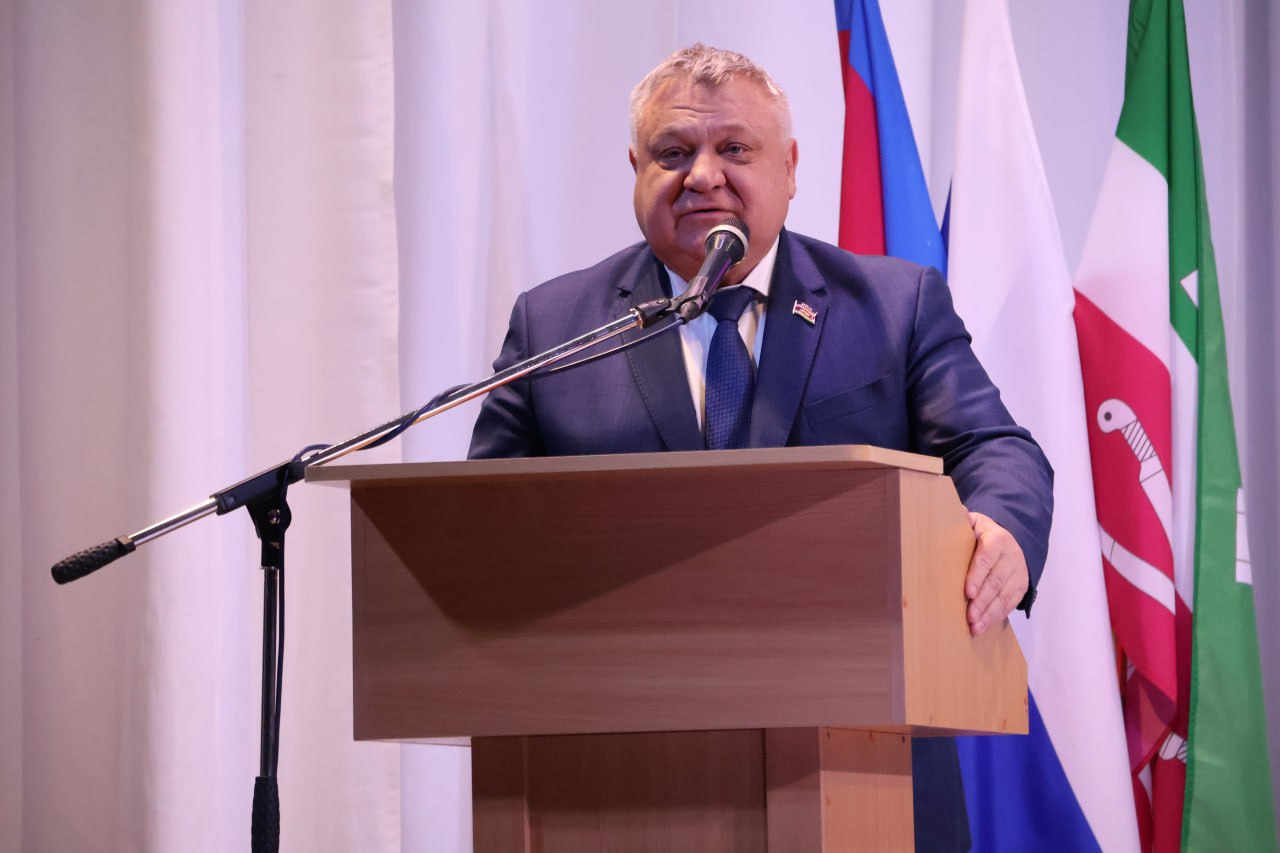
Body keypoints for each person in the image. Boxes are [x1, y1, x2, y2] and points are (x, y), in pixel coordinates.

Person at [468, 43, 1052, 853]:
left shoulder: (891, 305)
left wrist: (1004, 527)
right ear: (636, 168)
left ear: (790, 166)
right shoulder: (558, 326)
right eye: (674, 152)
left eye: (734, 148)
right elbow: (481, 520)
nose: (702, 175)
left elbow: (995, 447)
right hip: (614, 780)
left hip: (863, 766)